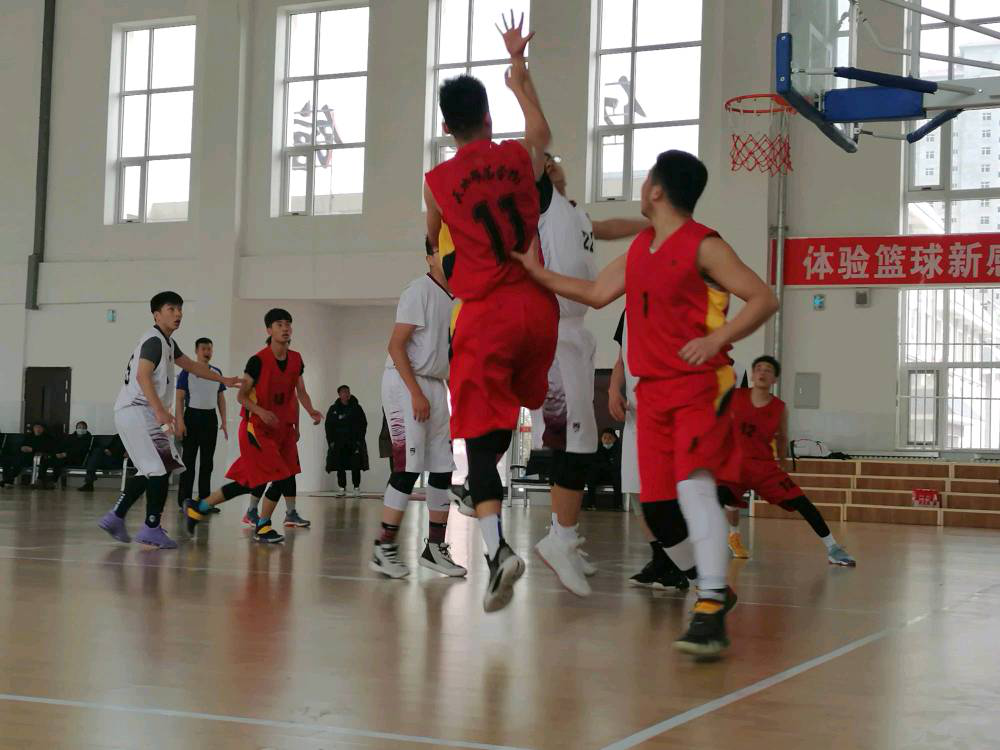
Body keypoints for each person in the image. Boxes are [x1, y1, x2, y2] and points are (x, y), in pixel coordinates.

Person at [513, 149, 779, 656]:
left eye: (645, 180)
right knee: (656, 509)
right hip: (651, 393)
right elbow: (595, 292)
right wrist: (535, 271)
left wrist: (717, 337)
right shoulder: (641, 248)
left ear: (656, 189)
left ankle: (710, 604)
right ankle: (709, 586)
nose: (641, 187)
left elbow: (763, 297)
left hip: (700, 385)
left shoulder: (705, 245)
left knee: (694, 487)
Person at [424, 14, 558, 612]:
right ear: (488, 116)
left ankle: (498, 549)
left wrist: (450, 271)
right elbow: (541, 131)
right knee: (503, 421)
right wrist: (517, 70)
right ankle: (495, 520)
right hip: (539, 308)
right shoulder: (518, 156)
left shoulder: (437, 181)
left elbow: (433, 255)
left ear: (446, 127)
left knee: (478, 445)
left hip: (487, 315)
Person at [532, 152, 649, 597]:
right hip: (554, 330)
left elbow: (606, 227)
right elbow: (534, 143)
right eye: (551, 160)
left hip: (576, 331)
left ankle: (563, 532)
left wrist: (648, 224)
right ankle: (559, 539)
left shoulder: (574, 212)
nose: (558, 163)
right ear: (543, 169)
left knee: (581, 439)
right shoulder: (543, 202)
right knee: (575, 441)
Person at [98, 291, 241, 549]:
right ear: (156, 315)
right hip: (137, 411)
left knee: (159, 466)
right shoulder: (153, 341)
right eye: (171, 309)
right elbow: (142, 376)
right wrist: (160, 411)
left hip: (143, 412)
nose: (178, 314)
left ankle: (116, 516)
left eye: (180, 309)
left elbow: (193, 366)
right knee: (159, 470)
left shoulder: (168, 343)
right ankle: (150, 528)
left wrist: (224, 380)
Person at [185, 308, 323, 542]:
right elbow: (241, 397)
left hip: (283, 430)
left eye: (288, 324)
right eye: (279, 324)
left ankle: (199, 507)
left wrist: (310, 411)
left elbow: (300, 391)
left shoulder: (296, 359)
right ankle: (263, 525)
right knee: (280, 476)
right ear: (269, 330)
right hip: (257, 428)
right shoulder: (258, 361)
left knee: (248, 482)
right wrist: (261, 411)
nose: (285, 328)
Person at [371, 238, 466, 579]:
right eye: (441, 249)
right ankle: (383, 548)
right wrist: (415, 393)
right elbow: (396, 346)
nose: (449, 254)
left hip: (436, 384)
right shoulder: (418, 290)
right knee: (407, 467)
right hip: (404, 381)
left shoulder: (455, 298)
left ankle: (434, 549)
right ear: (429, 257)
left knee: (442, 467)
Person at [719, 356, 856, 567]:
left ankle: (833, 549)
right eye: (759, 369)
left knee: (801, 502)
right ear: (753, 375)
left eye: (768, 370)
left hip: (763, 466)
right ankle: (731, 537)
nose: (763, 372)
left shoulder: (779, 408)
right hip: (735, 463)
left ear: (774, 379)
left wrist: (782, 459)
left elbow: (782, 436)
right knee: (720, 499)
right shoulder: (735, 397)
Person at [609, 312, 689, 591]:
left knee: (667, 495)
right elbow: (621, 360)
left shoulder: (673, 305)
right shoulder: (627, 313)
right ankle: (661, 559)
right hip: (635, 415)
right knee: (636, 491)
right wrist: (613, 389)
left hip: (667, 413)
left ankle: (681, 564)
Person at [175, 337, 228, 511]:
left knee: (207, 462)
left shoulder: (216, 372)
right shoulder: (186, 372)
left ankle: (205, 501)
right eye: (203, 349)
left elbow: (221, 398)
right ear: (196, 351)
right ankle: (185, 500)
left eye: (209, 349)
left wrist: (224, 421)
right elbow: (179, 398)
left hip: (210, 418)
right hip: (192, 417)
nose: (207, 352)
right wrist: (180, 422)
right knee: (188, 461)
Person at [325, 385, 369, 497]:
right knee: (340, 465)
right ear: (339, 394)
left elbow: (363, 424)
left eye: (347, 392)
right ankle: (342, 487)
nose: (346, 394)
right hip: (339, 443)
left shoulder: (356, 408)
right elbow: (328, 426)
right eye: (343, 392)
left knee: (356, 465)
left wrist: (359, 440)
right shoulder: (333, 409)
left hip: (354, 442)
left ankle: (356, 487)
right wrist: (331, 442)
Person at [1, 423, 54, 488]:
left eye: (40, 427)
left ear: (43, 429)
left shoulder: (47, 438)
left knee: (20, 460)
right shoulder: (29, 436)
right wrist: (22, 448)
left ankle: (7, 480)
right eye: (36, 427)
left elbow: (47, 449)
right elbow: (22, 445)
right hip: (26, 456)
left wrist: (33, 449)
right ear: (33, 428)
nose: (38, 429)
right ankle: (8, 481)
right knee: (12, 460)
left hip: (39, 458)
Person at [584, 428, 622, 510]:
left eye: (610, 438)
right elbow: (594, 463)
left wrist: (606, 466)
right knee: (591, 474)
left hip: (613, 474)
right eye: (604, 438)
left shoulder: (619, 449)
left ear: (615, 439)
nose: (607, 440)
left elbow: (617, 464)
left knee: (617, 475)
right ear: (601, 439)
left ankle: (618, 505)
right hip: (600, 474)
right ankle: (591, 504)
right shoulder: (597, 449)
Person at [48, 421, 94, 487]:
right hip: (66, 457)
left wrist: (66, 454)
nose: (81, 429)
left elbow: (81, 450)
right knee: (50, 458)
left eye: (83, 427)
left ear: (86, 429)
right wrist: (58, 453)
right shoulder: (71, 437)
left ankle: (53, 481)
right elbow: (62, 446)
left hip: (78, 459)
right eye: (79, 427)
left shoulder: (88, 438)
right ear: (76, 428)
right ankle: (44, 480)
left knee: (59, 461)